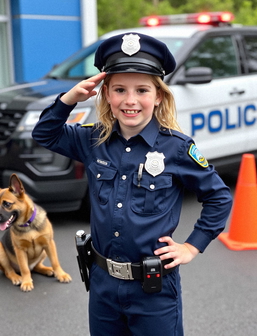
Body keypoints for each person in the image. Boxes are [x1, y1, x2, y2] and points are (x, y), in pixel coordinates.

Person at [32, 33, 233, 336]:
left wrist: (193, 246)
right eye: (119, 90)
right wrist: (69, 99)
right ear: (106, 96)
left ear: (159, 96)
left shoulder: (176, 148)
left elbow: (219, 196)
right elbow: (44, 134)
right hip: (103, 285)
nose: (130, 100)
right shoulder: (92, 139)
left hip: (154, 290)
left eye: (142, 90)